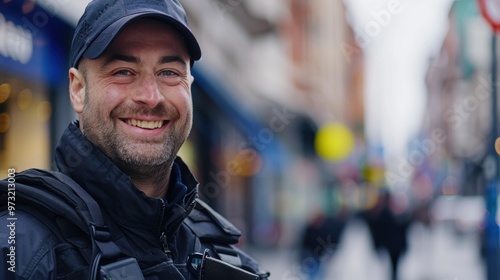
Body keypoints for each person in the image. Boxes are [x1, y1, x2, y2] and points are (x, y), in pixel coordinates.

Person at [0, 1, 269, 279]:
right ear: (78, 90)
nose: (151, 97)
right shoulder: (19, 250)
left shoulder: (227, 259)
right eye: (123, 72)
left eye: (169, 73)